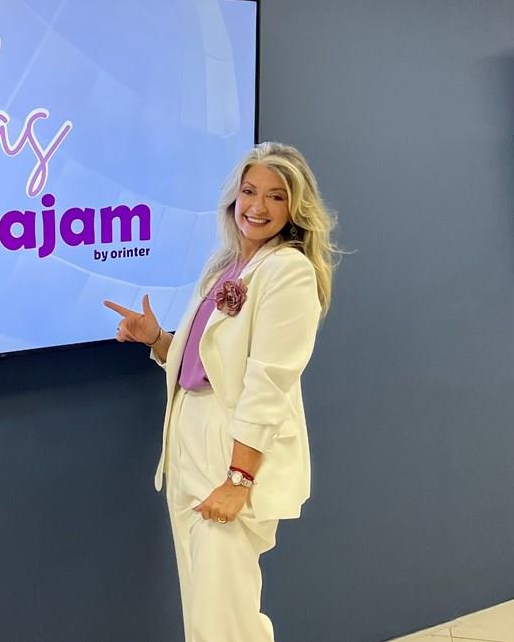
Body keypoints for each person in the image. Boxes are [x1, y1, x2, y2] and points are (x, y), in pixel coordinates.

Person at [104, 142, 339, 641]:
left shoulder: (289, 271)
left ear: (295, 208)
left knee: (224, 617)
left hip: (232, 448)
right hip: (189, 436)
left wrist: (239, 479)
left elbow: (268, 382)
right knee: (202, 611)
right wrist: (158, 339)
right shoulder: (224, 266)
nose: (257, 206)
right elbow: (207, 363)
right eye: (249, 191)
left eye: (276, 196)